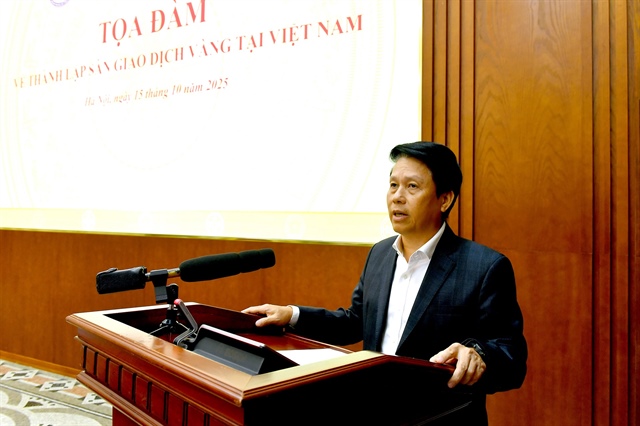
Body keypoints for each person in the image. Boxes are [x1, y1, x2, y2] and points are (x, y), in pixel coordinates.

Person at [243, 141, 527, 424]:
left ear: (445, 199)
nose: (397, 197)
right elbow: (356, 321)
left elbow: (511, 357)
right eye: (393, 185)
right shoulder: (380, 253)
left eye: (412, 187)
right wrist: (292, 315)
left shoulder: (483, 267)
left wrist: (478, 355)